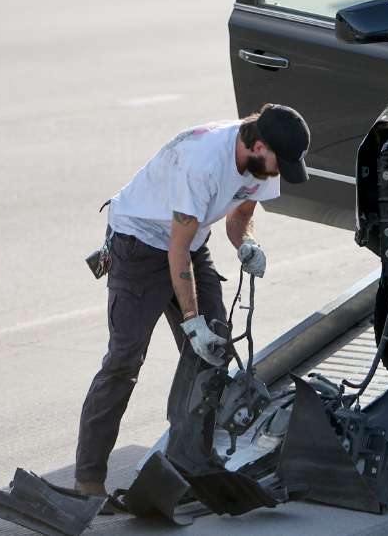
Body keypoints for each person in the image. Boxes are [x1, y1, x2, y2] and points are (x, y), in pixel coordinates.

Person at [73, 104, 310, 496]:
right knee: (124, 360)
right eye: (278, 161)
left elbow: (238, 216)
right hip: (139, 242)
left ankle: (189, 463)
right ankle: (88, 481)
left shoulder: (261, 163)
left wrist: (246, 243)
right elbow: (175, 250)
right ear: (259, 145)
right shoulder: (203, 162)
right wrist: (190, 319)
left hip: (190, 242)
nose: (279, 171)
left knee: (211, 354)